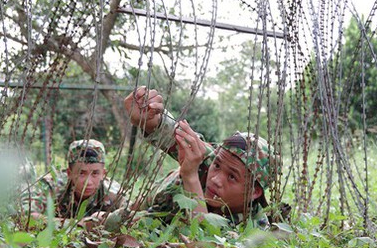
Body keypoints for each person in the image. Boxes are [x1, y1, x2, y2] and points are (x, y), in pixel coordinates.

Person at [123, 86, 276, 228]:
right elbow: (173, 133)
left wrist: (190, 176)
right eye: (216, 166)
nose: (216, 179)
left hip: (157, 220)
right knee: (110, 219)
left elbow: (206, 243)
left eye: (232, 177)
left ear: (254, 192)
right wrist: (148, 117)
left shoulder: (254, 227)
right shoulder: (212, 158)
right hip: (151, 200)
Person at [23, 139, 125, 224]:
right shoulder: (51, 185)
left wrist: (110, 218)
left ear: (104, 174)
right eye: (81, 173)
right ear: (69, 173)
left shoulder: (113, 191)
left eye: (95, 173)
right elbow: (27, 215)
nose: (88, 182)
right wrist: (77, 224)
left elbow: (131, 212)